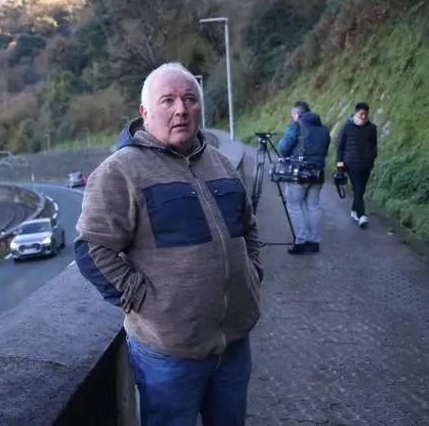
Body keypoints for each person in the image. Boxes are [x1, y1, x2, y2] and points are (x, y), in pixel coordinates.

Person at [75, 62, 262, 425]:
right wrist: (144, 300)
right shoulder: (121, 170)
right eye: (168, 100)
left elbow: (248, 226)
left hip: (234, 345)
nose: (181, 109)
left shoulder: (220, 162)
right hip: (168, 354)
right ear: (145, 112)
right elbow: (91, 248)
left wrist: (253, 273)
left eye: (190, 99)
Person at [277, 101, 330, 254]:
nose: (293, 117)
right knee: (313, 206)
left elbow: (283, 147)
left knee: (294, 207)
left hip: (298, 174)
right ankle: (314, 242)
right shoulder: (323, 129)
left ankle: (301, 241)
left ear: (297, 113)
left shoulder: (297, 126)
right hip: (317, 173)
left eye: (293, 114)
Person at [336, 102, 377, 228]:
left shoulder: (372, 128)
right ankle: (362, 216)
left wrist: (372, 158)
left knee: (361, 190)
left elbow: (374, 145)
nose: (364, 116)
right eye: (361, 114)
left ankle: (354, 210)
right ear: (356, 113)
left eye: (366, 114)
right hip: (351, 164)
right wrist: (339, 164)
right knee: (358, 189)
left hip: (366, 165)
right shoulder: (347, 127)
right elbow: (340, 147)